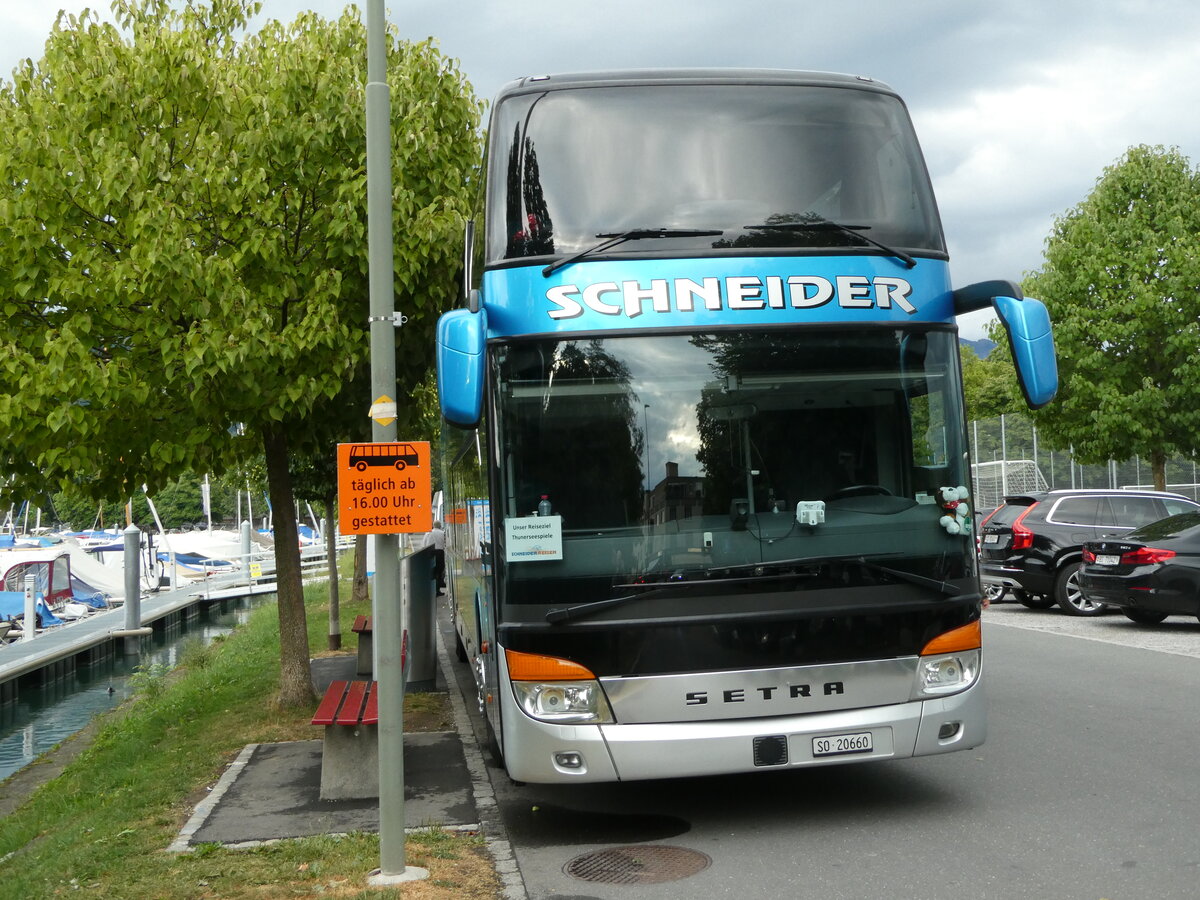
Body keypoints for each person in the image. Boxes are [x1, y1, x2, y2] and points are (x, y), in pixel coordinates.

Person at [423, 520, 446, 594]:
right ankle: (437, 590)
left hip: (430, 553)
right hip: (440, 553)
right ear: (440, 526)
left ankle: (431, 590)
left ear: (433, 526)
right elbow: (447, 544)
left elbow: (424, 544)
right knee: (439, 572)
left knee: (432, 572)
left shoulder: (428, 533)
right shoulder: (443, 533)